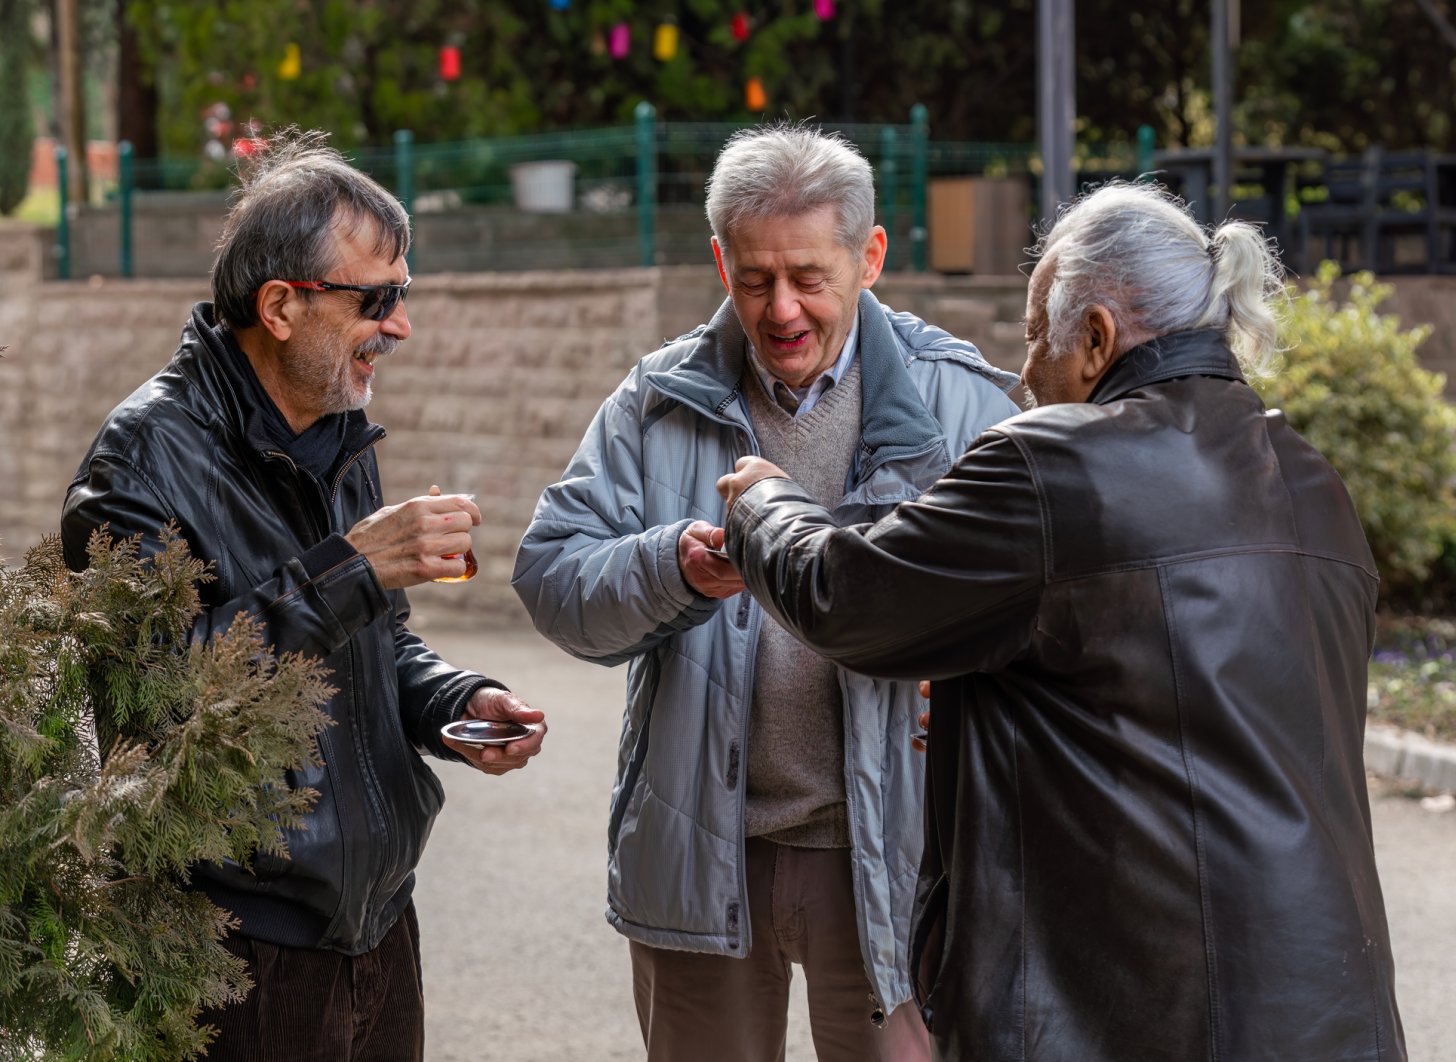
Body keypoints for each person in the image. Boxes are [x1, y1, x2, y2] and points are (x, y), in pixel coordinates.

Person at [716, 181, 1407, 1061]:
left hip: (1129, 1007)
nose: (1024, 371)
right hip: (1327, 1006)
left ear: (1097, 337)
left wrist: (768, 505)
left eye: (1038, 332)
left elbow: (845, 596)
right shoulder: (1314, 481)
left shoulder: (1054, 465)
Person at [513, 123, 1018, 1061]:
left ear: (869, 256)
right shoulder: (652, 401)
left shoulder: (970, 408)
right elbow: (549, 575)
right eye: (753, 280)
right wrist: (672, 567)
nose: (781, 309)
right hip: (703, 852)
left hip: (898, 869)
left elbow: (1039, 611)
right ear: (719, 262)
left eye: (809, 278)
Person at [60, 130, 547, 1062]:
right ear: (281, 305)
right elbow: (147, 704)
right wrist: (351, 569)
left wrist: (452, 701)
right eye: (378, 298)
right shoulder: (139, 460)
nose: (400, 324)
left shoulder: (335, 427)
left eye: (404, 294)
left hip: (378, 927)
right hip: (235, 953)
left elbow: (376, 644)